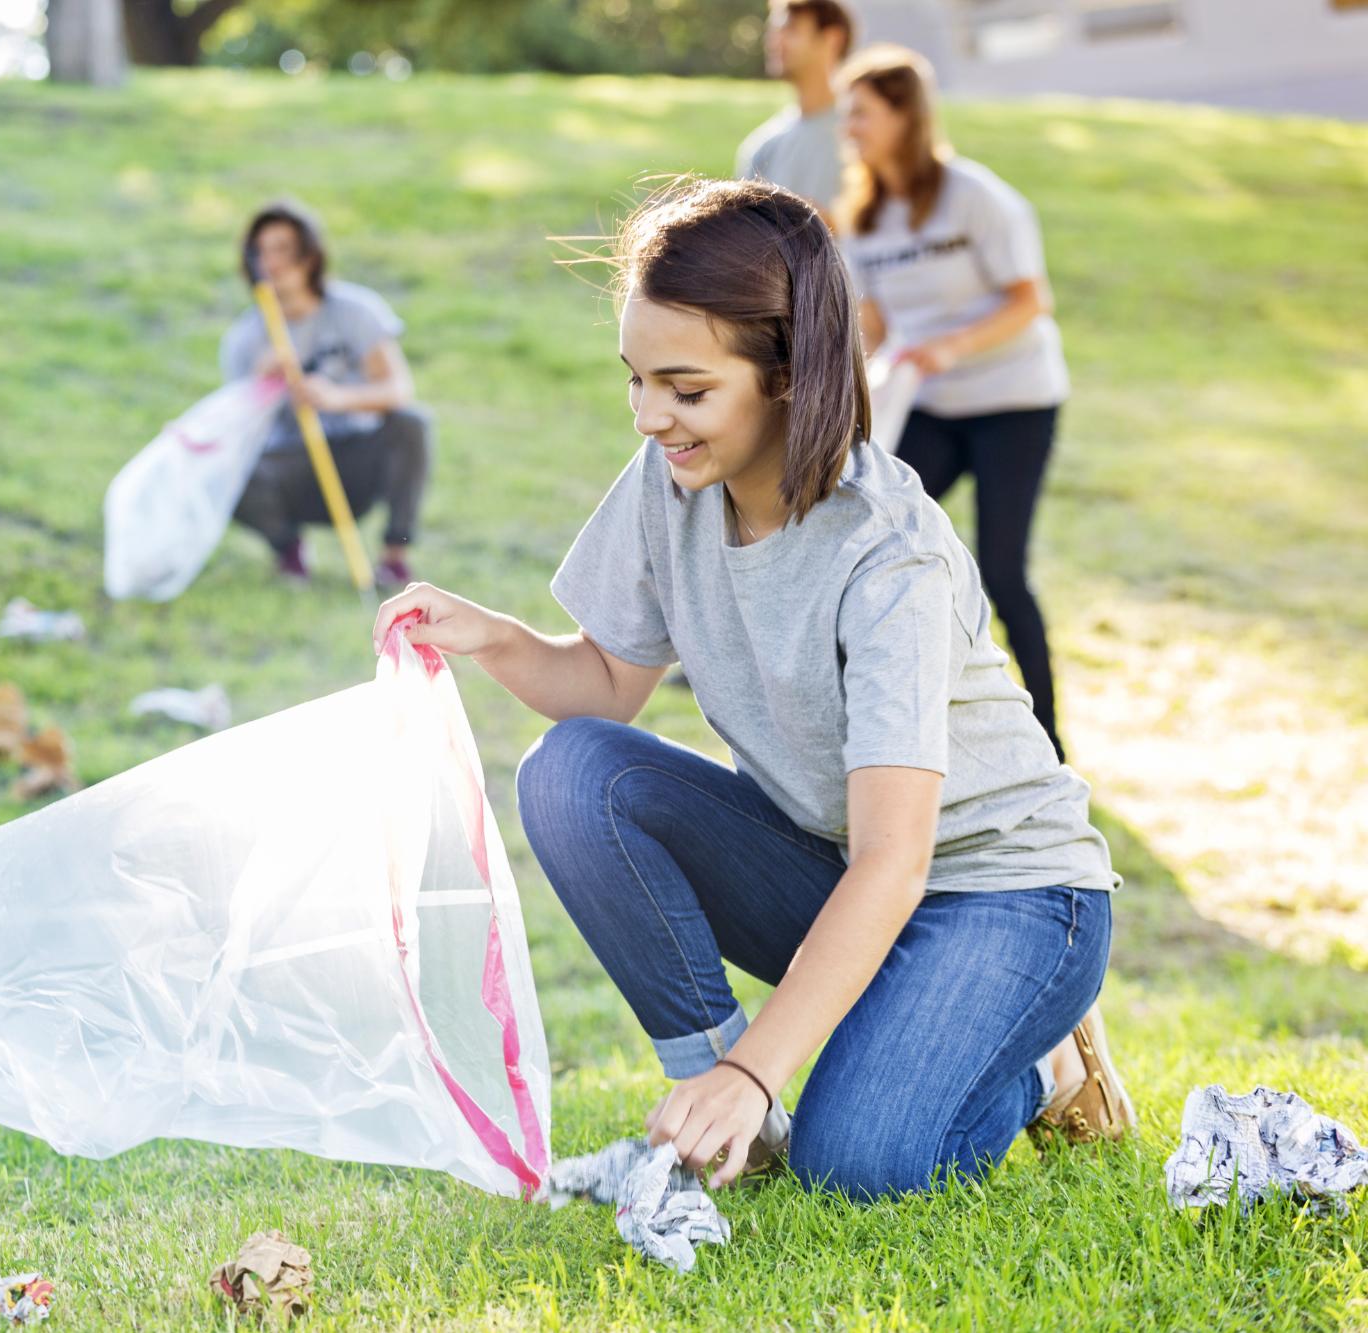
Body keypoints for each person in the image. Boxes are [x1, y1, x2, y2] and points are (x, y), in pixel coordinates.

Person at [372, 177, 1131, 1201]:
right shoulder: (671, 483)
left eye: (684, 390)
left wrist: (757, 1061)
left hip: (1006, 894)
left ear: (784, 373)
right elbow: (600, 688)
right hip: (837, 867)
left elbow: (895, 857)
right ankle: (737, 1119)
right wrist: (493, 638)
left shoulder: (886, 557)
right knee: (574, 774)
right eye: (634, 381)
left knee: (857, 1167)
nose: (649, 418)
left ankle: (1036, 1061)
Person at [836, 45, 1072, 761]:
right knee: (870, 536)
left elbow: (1031, 301)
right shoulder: (866, 219)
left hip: (1014, 403)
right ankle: (881, 716)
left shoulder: (978, 198)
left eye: (862, 113)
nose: (849, 128)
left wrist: (952, 347)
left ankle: (1048, 744)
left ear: (905, 115)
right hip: (931, 407)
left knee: (1002, 570)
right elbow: (872, 326)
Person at [220, 200, 432, 589]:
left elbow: (399, 389)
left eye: (282, 248)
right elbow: (237, 428)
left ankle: (395, 556)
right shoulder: (246, 339)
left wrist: (335, 397)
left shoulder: (354, 310)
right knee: (224, 469)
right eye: (260, 251)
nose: (271, 261)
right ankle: (288, 548)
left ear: (309, 253)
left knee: (412, 424)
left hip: (357, 456)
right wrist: (261, 385)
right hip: (292, 466)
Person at [734, 0, 855, 220]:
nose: (774, 41)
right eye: (773, 31)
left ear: (832, 39)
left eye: (790, 30)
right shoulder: (762, 148)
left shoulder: (862, 132)